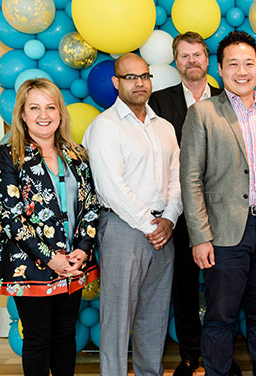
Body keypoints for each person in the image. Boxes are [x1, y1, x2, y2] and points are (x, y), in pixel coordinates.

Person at [180, 30, 256, 376]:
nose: (242, 71)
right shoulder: (202, 113)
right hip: (224, 234)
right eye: (233, 64)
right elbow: (190, 179)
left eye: (249, 63)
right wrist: (200, 236)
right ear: (219, 68)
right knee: (220, 318)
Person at [0, 78, 100, 376]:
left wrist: (82, 250)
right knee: (37, 338)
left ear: (60, 113)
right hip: (31, 263)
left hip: (74, 261)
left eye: (50, 107)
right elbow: (11, 218)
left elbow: (91, 205)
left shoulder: (76, 155)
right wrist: (51, 259)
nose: (43, 115)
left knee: (66, 333)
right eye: (34, 107)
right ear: (22, 114)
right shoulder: (6, 155)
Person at [83, 53, 182, 376]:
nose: (139, 83)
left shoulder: (164, 127)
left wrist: (169, 218)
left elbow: (177, 177)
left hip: (163, 229)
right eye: (130, 77)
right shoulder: (105, 127)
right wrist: (149, 224)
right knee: (117, 316)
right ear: (116, 83)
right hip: (124, 228)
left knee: (153, 315)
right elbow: (111, 186)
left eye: (144, 76)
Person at [148, 31, 240, 376]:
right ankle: (189, 356)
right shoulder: (160, 102)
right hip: (178, 211)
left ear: (208, 60)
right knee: (183, 286)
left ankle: (223, 360)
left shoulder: (230, 97)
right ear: (176, 62)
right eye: (184, 56)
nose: (191, 61)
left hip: (224, 211)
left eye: (197, 55)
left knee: (224, 291)